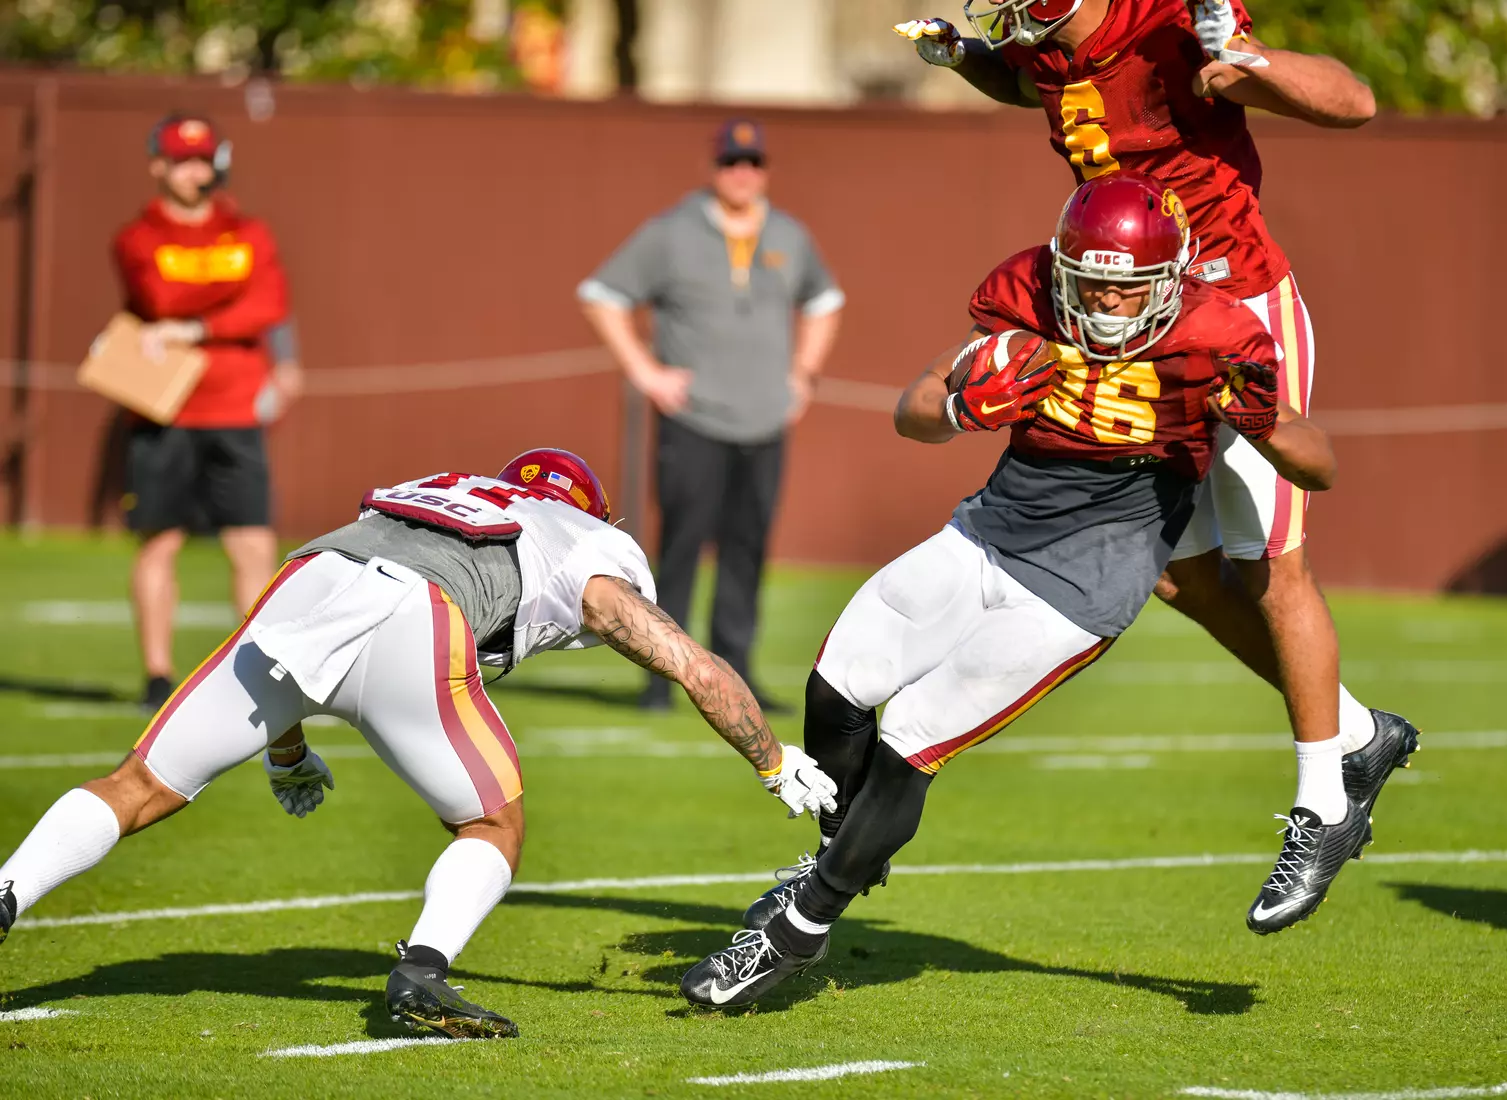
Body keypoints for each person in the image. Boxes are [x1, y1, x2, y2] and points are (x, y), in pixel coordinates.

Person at [678, 173, 1417, 1007]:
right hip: (989, 530)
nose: (1103, 301)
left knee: (914, 734)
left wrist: (1262, 423)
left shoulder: (1216, 332)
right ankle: (840, 856)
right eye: (1088, 281)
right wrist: (961, 409)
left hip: (1083, 579)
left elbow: (1320, 463)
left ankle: (797, 930)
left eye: (1124, 285)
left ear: (1168, 280)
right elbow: (914, 407)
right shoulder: (1027, 291)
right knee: (838, 683)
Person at [0, 449, 837, 1038]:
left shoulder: (442, 488)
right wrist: (774, 760)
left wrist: (285, 750)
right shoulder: (581, 543)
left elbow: (321, 624)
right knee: (492, 825)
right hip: (419, 615)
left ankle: (8, 891)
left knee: (138, 784)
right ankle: (423, 972)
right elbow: (693, 665)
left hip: (306, 578)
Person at [891, 1, 1413, 927]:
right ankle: (1358, 730)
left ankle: (1324, 803)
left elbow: (1355, 101)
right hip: (1139, 329)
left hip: (1233, 310)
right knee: (1178, 572)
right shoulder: (1043, 47)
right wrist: (966, 58)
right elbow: (1030, 83)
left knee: (1273, 564)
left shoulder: (1169, 21)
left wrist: (1253, 58)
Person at [578, 118, 845, 714]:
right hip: (694, 419)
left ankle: (736, 674)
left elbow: (826, 302)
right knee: (679, 547)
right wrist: (645, 371)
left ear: (765, 170)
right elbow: (602, 295)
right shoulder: (671, 232)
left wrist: (803, 374)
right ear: (714, 168)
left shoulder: (789, 235)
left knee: (747, 549)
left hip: (765, 421)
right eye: (731, 163)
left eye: (752, 163)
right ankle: (659, 676)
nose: (742, 174)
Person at [113, 114, 300, 711]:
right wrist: (227, 306)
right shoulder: (137, 237)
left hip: (236, 409)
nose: (195, 172)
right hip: (164, 408)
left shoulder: (250, 232)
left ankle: (264, 670)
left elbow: (268, 304)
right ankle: (157, 678)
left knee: (252, 544)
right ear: (158, 166)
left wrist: (192, 326)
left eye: (202, 160)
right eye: (182, 161)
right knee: (160, 543)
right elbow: (159, 295)